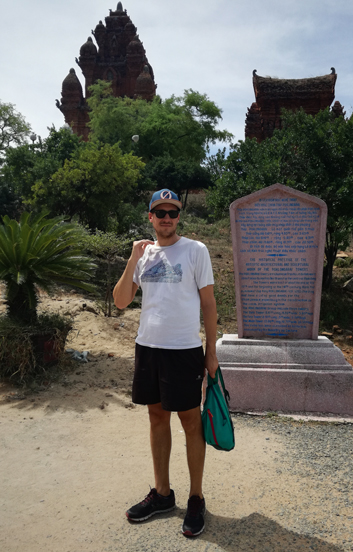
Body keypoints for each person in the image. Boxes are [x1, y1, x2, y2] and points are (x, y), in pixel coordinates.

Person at [113, 189, 218, 538]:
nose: (167, 218)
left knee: (190, 422)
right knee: (156, 417)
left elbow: (209, 305)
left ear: (179, 216)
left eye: (172, 212)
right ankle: (162, 494)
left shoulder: (195, 251)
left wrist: (211, 352)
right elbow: (121, 301)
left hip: (184, 349)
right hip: (149, 347)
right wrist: (132, 259)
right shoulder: (143, 255)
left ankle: (196, 498)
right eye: (160, 212)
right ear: (150, 217)